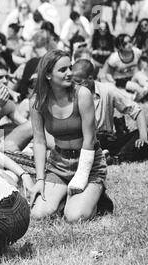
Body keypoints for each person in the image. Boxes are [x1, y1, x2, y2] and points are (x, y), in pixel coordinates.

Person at [29, 50, 108, 223]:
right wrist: (40, 179)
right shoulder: (37, 100)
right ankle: (69, 198)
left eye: (70, 67)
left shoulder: (82, 94)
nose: (70, 73)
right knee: (38, 214)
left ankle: (97, 198)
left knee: (74, 217)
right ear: (48, 74)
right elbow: (39, 141)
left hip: (88, 163)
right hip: (59, 164)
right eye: (63, 69)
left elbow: (90, 138)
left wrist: (82, 174)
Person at [72, 59, 148, 164]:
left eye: (78, 83)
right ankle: (126, 156)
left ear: (90, 79)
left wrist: (143, 137)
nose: (74, 86)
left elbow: (136, 110)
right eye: (73, 83)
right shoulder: (70, 94)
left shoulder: (107, 90)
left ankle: (115, 157)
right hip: (84, 142)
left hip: (107, 142)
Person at [103, 34, 148, 102]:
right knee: (135, 86)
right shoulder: (114, 58)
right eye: (125, 43)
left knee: (140, 75)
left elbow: (139, 64)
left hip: (132, 77)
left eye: (130, 41)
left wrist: (142, 74)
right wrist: (112, 82)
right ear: (119, 46)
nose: (129, 45)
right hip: (120, 80)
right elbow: (108, 73)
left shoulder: (136, 52)